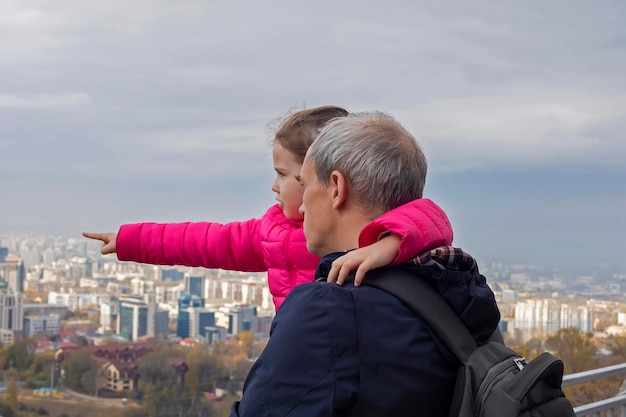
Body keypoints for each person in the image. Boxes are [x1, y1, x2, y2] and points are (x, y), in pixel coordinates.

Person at [229, 111, 500, 416]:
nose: (302, 206)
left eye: (305, 186)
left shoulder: (328, 311)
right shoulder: (460, 288)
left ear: (336, 188)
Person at [83, 106, 454, 312]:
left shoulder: (359, 227)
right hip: (301, 339)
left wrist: (387, 243)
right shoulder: (272, 230)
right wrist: (131, 240)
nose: (274, 187)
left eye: (284, 175)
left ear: (327, 180)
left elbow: (427, 219)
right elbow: (207, 242)